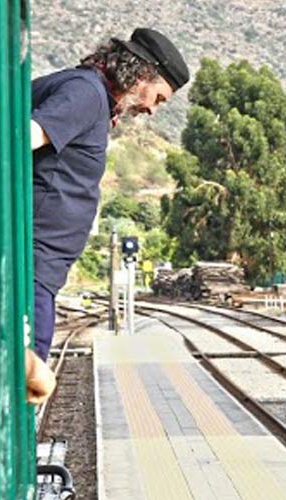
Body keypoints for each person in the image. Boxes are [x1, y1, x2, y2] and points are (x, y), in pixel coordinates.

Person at [24, 28, 190, 404]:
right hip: (32, 265)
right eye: (159, 98)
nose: (152, 109)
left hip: (39, 267)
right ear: (142, 75)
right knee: (24, 387)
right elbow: (20, 136)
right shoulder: (86, 94)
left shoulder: (89, 93)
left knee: (27, 386)